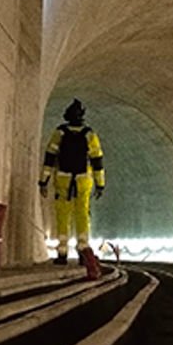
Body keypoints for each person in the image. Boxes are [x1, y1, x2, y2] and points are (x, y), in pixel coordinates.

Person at [39, 97, 105, 264]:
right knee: (82, 213)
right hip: (83, 180)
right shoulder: (89, 134)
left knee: (63, 214)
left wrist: (43, 181)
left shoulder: (59, 132)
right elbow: (97, 160)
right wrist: (100, 184)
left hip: (63, 178)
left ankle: (62, 252)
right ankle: (83, 249)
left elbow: (50, 157)